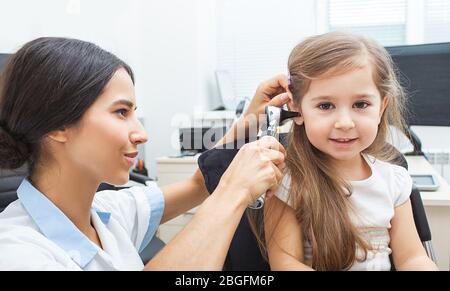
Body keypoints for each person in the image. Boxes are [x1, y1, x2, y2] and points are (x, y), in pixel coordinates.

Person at [0, 37, 290, 270]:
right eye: (121, 112)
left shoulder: (109, 212)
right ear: (57, 124)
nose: (142, 133)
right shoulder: (17, 251)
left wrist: (249, 122)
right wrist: (233, 192)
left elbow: (198, 184)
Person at [258, 32, 439, 271]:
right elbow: (285, 264)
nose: (345, 122)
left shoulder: (394, 181)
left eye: (360, 104)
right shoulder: (287, 182)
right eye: (326, 105)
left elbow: (412, 258)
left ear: (381, 107)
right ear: (297, 110)